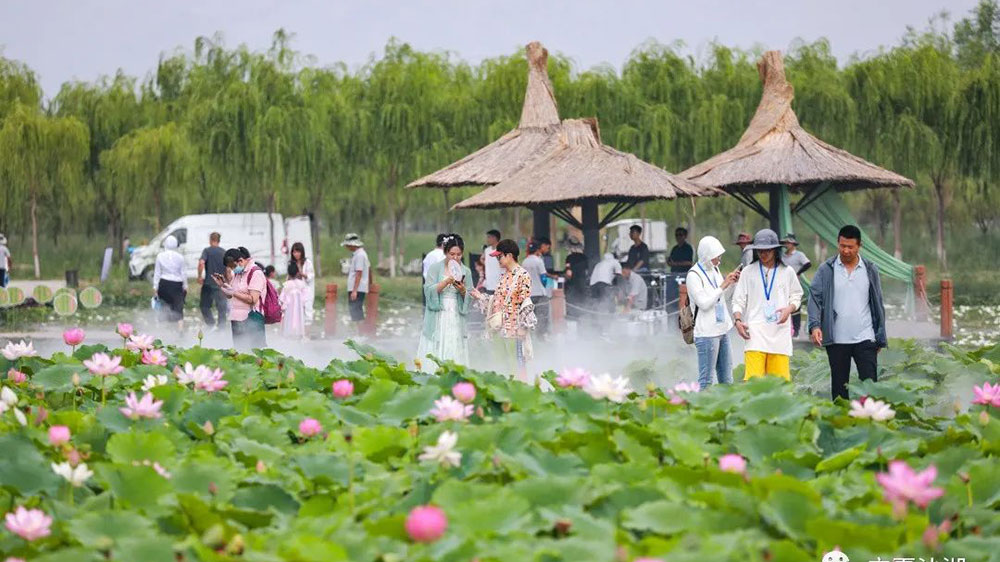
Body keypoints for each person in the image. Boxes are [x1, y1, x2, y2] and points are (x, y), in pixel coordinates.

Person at [807, 225, 887, 401]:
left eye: (850, 247)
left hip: (865, 337)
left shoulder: (870, 269)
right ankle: (841, 424)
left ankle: (870, 422)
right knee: (839, 389)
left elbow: (878, 303)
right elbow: (814, 298)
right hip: (837, 339)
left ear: (859, 246)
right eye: (842, 245)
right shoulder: (826, 269)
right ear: (838, 243)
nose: (846, 250)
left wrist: (880, 335)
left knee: (870, 386)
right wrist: (815, 325)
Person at [732, 229, 803, 381]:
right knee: (753, 384)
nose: (763, 254)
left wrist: (789, 309)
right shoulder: (748, 272)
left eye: (767, 250)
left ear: (776, 250)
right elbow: (738, 300)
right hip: (754, 334)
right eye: (759, 251)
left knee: (780, 385)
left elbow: (797, 295)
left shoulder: (787, 271)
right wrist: (738, 321)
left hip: (780, 334)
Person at [471, 239, 535, 382]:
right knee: (500, 364)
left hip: (515, 329)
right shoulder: (504, 276)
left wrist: (523, 327)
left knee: (515, 365)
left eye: (499, 256)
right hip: (499, 328)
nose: (498, 260)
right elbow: (497, 300)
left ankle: (518, 395)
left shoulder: (523, 275)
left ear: (509, 255)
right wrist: (480, 296)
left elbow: (525, 302)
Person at [686, 236, 741, 388]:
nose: (719, 260)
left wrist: (732, 284)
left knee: (727, 378)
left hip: (722, 329)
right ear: (707, 256)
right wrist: (723, 285)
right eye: (716, 257)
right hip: (706, 333)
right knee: (706, 380)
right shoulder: (693, 275)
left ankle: (726, 409)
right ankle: (703, 409)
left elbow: (723, 298)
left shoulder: (715, 270)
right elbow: (704, 303)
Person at [417, 234, 473, 371]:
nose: (455, 258)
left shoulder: (466, 271)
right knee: (437, 340)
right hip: (438, 314)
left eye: (459, 254)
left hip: (455, 313)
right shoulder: (435, 268)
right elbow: (428, 290)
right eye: (451, 254)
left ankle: (455, 373)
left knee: (454, 341)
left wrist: (462, 291)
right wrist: (445, 282)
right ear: (445, 252)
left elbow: (470, 294)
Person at [217, 247, 266, 350]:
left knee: (254, 353)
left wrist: (234, 292)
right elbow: (230, 296)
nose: (232, 270)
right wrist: (222, 285)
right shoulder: (238, 273)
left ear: (240, 261)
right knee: (240, 352)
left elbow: (253, 299)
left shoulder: (256, 273)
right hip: (236, 318)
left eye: (232, 266)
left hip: (250, 319)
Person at [780, 233, 812, 337]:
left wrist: (798, 273)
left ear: (793, 244)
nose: (786, 244)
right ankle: (786, 329)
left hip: (794, 283)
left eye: (788, 243)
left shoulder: (799, 255)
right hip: (783, 284)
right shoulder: (783, 256)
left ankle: (796, 330)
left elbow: (808, 264)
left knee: (795, 306)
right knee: (784, 305)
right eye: (785, 243)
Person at [153, 235, 187, 330]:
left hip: (164, 284)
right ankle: (180, 331)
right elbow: (183, 273)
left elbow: (157, 273)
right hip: (177, 284)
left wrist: (155, 287)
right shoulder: (180, 257)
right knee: (178, 307)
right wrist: (185, 286)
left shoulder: (160, 256)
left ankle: (164, 331)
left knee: (164, 306)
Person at [197, 232, 228, 329]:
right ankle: (221, 329)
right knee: (222, 308)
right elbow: (228, 269)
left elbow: (201, 263)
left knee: (205, 306)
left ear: (210, 240)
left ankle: (211, 325)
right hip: (221, 285)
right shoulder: (224, 252)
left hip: (208, 284)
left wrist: (199, 276)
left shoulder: (207, 251)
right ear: (219, 240)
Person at [342, 233, 371, 330]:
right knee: (355, 311)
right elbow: (369, 269)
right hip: (358, 287)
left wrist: (354, 290)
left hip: (357, 288)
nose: (347, 247)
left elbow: (359, 273)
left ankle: (361, 334)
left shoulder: (360, 255)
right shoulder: (359, 254)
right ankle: (359, 333)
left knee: (357, 311)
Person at [522, 242, 549, 336]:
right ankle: (541, 336)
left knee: (530, 318)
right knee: (542, 317)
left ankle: (531, 337)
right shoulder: (539, 261)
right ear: (537, 250)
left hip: (529, 295)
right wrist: (544, 286)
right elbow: (544, 278)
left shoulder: (524, 262)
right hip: (540, 294)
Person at [279, 262, 308, 339]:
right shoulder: (301, 284)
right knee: (299, 320)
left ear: (288, 273)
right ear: (298, 272)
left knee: (289, 321)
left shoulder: (286, 284)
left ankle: (289, 336)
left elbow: (282, 298)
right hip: (299, 308)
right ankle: (299, 335)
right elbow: (305, 298)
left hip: (289, 308)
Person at [289, 242, 315, 325]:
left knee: (307, 311)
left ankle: (307, 335)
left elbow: (311, 276)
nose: (296, 254)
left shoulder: (307, 262)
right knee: (297, 312)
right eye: (294, 252)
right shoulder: (291, 263)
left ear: (302, 252)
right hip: (295, 291)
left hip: (307, 290)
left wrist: (301, 273)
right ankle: (299, 334)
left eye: (298, 252)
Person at [563, 237, 589, 314]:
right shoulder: (584, 257)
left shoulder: (569, 257)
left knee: (572, 306)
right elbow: (587, 272)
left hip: (573, 285)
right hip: (582, 285)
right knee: (582, 307)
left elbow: (568, 273)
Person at [483, 229, 502, 295]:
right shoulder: (487, 250)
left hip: (500, 285)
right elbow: (484, 261)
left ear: (494, 238)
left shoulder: (502, 250)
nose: (487, 239)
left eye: (489, 237)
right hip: (489, 285)